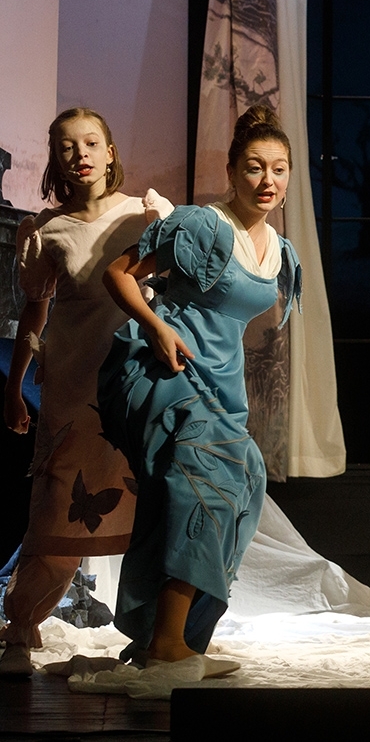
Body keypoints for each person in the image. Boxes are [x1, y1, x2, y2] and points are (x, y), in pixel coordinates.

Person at [96, 105, 301, 676]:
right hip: (165, 366)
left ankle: (172, 638)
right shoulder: (201, 225)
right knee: (208, 480)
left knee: (246, 479)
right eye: (254, 167)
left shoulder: (278, 248)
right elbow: (118, 273)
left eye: (279, 169)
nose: (267, 180)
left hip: (221, 378)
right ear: (232, 172)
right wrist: (157, 327)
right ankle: (168, 643)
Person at [0, 109, 172, 678]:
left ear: (110, 151)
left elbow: (175, 297)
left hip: (134, 384)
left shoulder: (146, 215)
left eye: (91, 143)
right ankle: (21, 627)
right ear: (56, 158)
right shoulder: (47, 231)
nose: (81, 155)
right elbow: (34, 312)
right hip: (72, 389)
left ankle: (162, 634)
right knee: (56, 509)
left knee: (152, 505)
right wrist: (14, 387)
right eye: (68, 146)